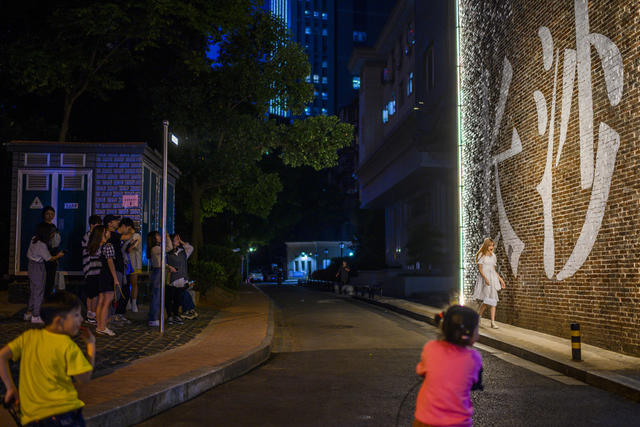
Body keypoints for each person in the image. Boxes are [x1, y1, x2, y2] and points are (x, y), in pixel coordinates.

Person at [0, 291, 95, 426]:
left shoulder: (28, 337)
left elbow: (1, 356)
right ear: (59, 321)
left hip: (32, 418)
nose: (81, 319)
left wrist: (10, 388)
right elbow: (84, 378)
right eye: (76, 315)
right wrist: (91, 345)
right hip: (64, 414)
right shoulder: (66, 345)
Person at [413, 305, 483, 427]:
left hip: (425, 420)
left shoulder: (430, 348)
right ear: (467, 333)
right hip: (457, 423)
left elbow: (421, 371)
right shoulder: (473, 358)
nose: (478, 333)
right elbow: (475, 382)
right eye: (477, 329)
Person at [24, 223, 65, 324]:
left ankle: (29, 313)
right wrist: (59, 256)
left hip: (31, 265)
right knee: (39, 291)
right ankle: (36, 315)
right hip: (38, 267)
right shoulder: (42, 245)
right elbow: (49, 258)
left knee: (34, 290)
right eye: (51, 234)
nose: (52, 236)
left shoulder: (34, 239)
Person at [89, 225, 118, 336]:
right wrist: (115, 278)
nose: (109, 233)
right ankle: (103, 326)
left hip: (98, 275)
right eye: (107, 231)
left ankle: (99, 326)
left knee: (101, 301)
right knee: (107, 301)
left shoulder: (95, 246)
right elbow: (110, 262)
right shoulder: (108, 245)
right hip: (107, 275)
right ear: (103, 233)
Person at [471, 238, 506, 329]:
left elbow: (494, 271)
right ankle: (478, 317)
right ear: (486, 245)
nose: (492, 247)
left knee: (493, 301)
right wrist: (485, 278)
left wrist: (501, 280)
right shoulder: (481, 255)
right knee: (487, 301)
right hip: (485, 280)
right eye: (490, 245)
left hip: (492, 279)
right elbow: (480, 269)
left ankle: (492, 322)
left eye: (492, 245)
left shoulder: (493, 256)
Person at [105, 215, 133, 324]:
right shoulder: (111, 234)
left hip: (120, 268)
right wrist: (132, 231)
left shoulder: (114, 234)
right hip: (115, 269)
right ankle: (109, 318)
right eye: (115, 221)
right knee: (114, 295)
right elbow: (125, 237)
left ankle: (112, 317)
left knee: (118, 294)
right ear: (109, 223)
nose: (117, 222)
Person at [147, 231, 174, 327]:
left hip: (159, 271)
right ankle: (153, 318)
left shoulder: (156, 248)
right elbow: (169, 248)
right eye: (158, 235)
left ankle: (154, 317)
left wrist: (168, 267)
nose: (159, 236)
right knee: (156, 296)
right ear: (154, 238)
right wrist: (167, 237)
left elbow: (161, 261)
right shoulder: (156, 248)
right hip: (158, 272)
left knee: (157, 295)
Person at [166, 233, 194, 325]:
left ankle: (176, 315)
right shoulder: (167, 253)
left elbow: (191, 248)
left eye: (178, 239)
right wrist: (169, 267)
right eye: (176, 239)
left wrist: (182, 241)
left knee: (178, 299)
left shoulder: (182, 252)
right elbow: (163, 263)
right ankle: (169, 316)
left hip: (181, 279)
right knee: (170, 298)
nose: (178, 241)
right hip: (171, 279)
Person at [82, 215, 102, 324]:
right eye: (97, 226)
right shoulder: (88, 237)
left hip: (94, 269)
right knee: (93, 294)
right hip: (91, 269)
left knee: (92, 294)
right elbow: (92, 252)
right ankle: (91, 314)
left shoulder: (92, 236)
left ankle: (91, 314)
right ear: (92, 225)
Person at [39, 206, 62, 299]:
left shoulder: (53, 227)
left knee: (50, 281)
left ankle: (47, 299)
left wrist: (56, 257)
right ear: (44, 215)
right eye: (48, 214)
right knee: (42, 281)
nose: (50, 216)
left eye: (52, 214)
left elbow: (55, 243)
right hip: (43, 258)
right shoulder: (41, 227)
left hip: (52, 258)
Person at [125, 221, 142, 312]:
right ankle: (127, 302)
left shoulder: (136, 236)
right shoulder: (125, 236)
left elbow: (132, 247)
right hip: (126, 262)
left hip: (134, 263)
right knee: (126, 283)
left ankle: (134, 303)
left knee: (133, 283)